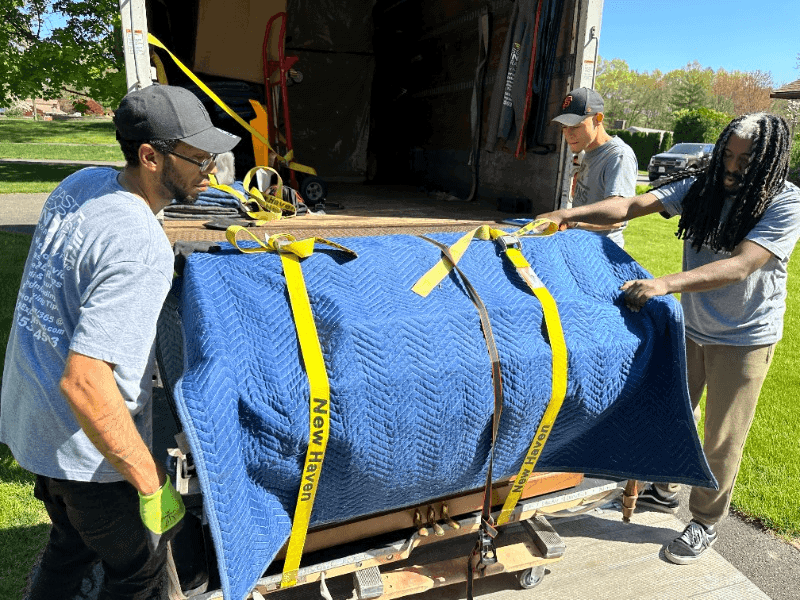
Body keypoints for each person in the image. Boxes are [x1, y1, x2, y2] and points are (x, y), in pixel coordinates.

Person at [0, 84, 240, 599]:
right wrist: (150, 481)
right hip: (88, 459)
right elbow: (86, 382)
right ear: (150, 156)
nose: (212, 170)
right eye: (199, 158)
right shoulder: (140, 246)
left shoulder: (81, 183)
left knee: (70, 548)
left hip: (34, 429)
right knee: (139, 575)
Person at [537, 112, 800, 565]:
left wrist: (664, 284)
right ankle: (664, 489)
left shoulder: (784, 201)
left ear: (769, 160)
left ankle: (705, 521)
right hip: (691, 326)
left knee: (721, 436)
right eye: (728, 156)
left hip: (743, 337)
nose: (733, 168)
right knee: (672, 411)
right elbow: (631, 206)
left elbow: (741, 264)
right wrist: (568, 215)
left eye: (746, 160)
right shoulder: (703, 184)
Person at [552, 87, 638, 248]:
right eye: (564, 126)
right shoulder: (586, 150)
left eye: (576, 125)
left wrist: (573, 221)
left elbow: (618, 218)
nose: (568, 133)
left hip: (603, 251)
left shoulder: (618, 156)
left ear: (598, 118)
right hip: (581, 245)